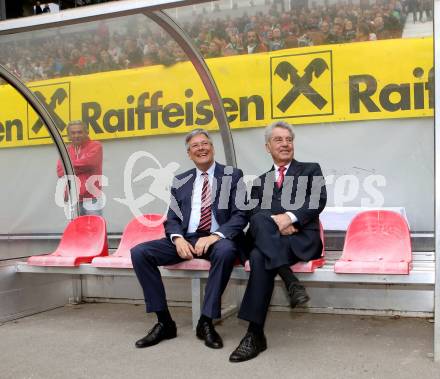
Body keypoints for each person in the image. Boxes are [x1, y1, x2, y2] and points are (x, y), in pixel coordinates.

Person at [131, 129, 247, 350]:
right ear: (189, 153)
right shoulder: (180, 180)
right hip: (187, 238)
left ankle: (206, 321)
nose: (201, 148)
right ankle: (164, 322)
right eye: (196, 146)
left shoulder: (233, 175)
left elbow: (241, 215)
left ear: (212, 148)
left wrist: (215, 236)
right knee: (140, 253)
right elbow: (172, 218)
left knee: (225, 251)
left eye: (205, 144)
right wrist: (177, 239)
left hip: (217, 238)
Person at [229, 121, 327, 363]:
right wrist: (274, 225)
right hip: (273, 242)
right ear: (267, 147)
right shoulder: (259, 182)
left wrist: (289, 218)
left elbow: (317, 200)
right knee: (260, 245)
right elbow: (251, 215)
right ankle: (258, 327)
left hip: (301, 239)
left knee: (261, 246)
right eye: (278, 140)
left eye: (288, 139)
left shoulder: (310, 170)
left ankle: (255, 334)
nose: (285, 144)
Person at [56, 120, 103, 216]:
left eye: (79, 132)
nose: (76, 135)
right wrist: (80, 167)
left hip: (91, 198)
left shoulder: (96, 146)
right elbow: (60, 172)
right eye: (73, 133)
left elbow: (89, 163)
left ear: (86, 132)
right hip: (72, 198)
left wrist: (69, 168)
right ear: (68, 135)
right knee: (76, 229)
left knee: (93, 229)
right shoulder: (66, 150)